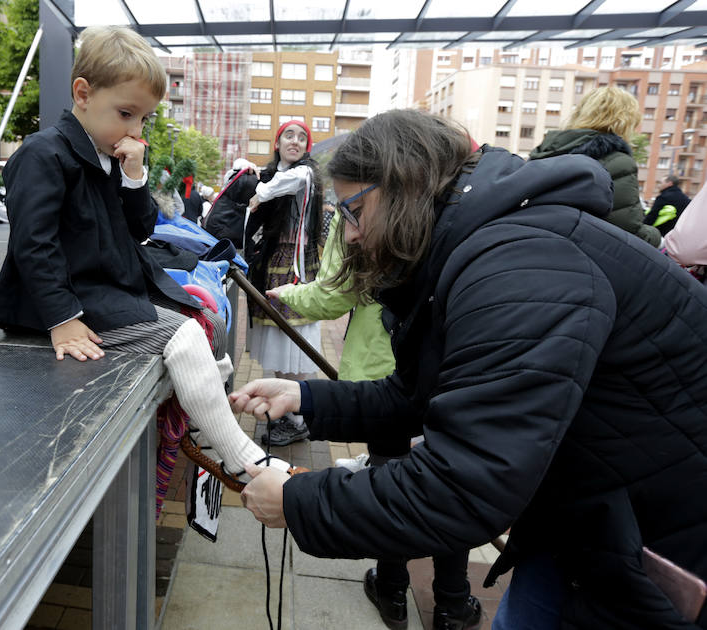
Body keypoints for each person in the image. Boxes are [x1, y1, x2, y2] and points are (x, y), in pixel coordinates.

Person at [230, 109, 707, 629]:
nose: (350, 236)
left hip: (660, 545)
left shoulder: (520, 264)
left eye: (352, 211)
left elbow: (466, 483)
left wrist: (300, 501)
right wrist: (309, 399)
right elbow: (417, 396)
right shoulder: (477, 248)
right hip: (588, 525)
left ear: (405, 188)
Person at [0, 25, 294, 490]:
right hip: (68, 297)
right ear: (82, 94)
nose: (135, 131)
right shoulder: (44, 153)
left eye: (143, 119)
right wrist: (62, 317)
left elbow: (142, 227)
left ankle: (204, 388)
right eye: (126, 113)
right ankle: (240, 458)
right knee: (185, 336)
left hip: (108, 284)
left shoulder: (109, 153)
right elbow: (33, 243)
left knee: (202, 314)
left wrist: (133, 175)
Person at [267, 211, 481, 629]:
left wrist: (288, 293)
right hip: (444, 371)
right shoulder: (455, 215)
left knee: (391, 475)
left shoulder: (361, 212)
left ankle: (392, 589)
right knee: (451, 477)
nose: (350, 229)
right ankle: (452, 603)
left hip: (381, 373)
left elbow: (332, 295)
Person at [243, 120, 324, 447]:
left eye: (302, 137)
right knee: (278, 343)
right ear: (277, 143)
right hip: (271, 264)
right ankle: (292, 416)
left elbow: (277, 185)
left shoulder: (305, 174)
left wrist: (258, 192)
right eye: (289, 135)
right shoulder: (273, 174)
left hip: (296, 266)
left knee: (294, 344)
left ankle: (300, 417)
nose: (295, 141)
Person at [529, 85, 661, 247]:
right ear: (624, 122)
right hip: (579, 257)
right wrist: (658, 239)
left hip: (533, 247)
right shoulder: (618, 162)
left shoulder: (546, 152)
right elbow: (625, 231)